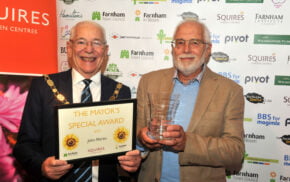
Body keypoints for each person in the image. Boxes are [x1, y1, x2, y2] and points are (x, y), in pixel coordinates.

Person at [13, 21, 141, 182]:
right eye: (81, 42)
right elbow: (24, 145)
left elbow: (123, 147)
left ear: (105, 50)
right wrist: (41, 166)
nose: (89, 49)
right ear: (69, 48)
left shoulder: (121, 91)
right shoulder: (43, 86)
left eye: (96, 43)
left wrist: (132, 161)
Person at [136, 19, 245, 182]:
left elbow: (235, 152)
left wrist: (188, 143)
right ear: (173, 49)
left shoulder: (230, 91)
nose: (186, 49)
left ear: (208, 49)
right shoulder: (148, 82)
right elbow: (137, 138)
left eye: (195, 42)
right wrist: (141, 141)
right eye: (180, 43)